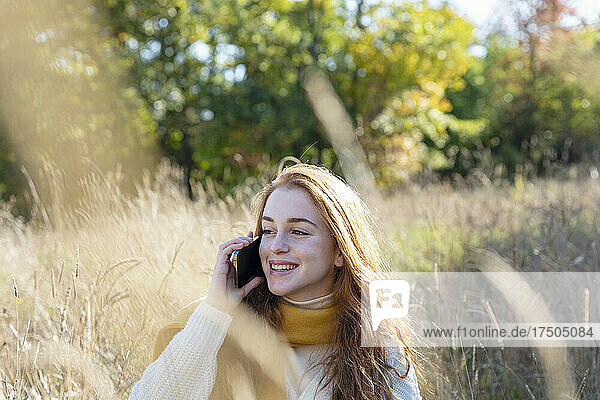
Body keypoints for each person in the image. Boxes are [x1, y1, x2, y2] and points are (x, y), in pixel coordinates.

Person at [129, 163, 421, 400]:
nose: (276, 246)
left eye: (298, 232)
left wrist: (380, 329)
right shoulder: (215, 323)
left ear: (340, 252)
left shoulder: (372, 330)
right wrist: (214, 313)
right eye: (268, 230)